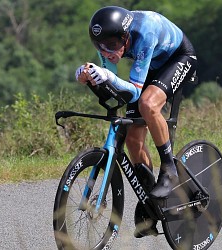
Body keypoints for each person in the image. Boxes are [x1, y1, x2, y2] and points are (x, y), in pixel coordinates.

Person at [75, 6, 197, 237]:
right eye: (100, 46)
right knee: (132, 134)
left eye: (111, 45)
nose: (106, 51)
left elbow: (133, 92)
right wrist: (89, 76)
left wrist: (108, 75)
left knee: (148, 105)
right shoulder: (108, 41)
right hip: (152, 63)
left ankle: (169, 169)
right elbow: (111, 85)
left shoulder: (144, 33)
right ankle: (151, 202)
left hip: (179, 57)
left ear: (126, 36)